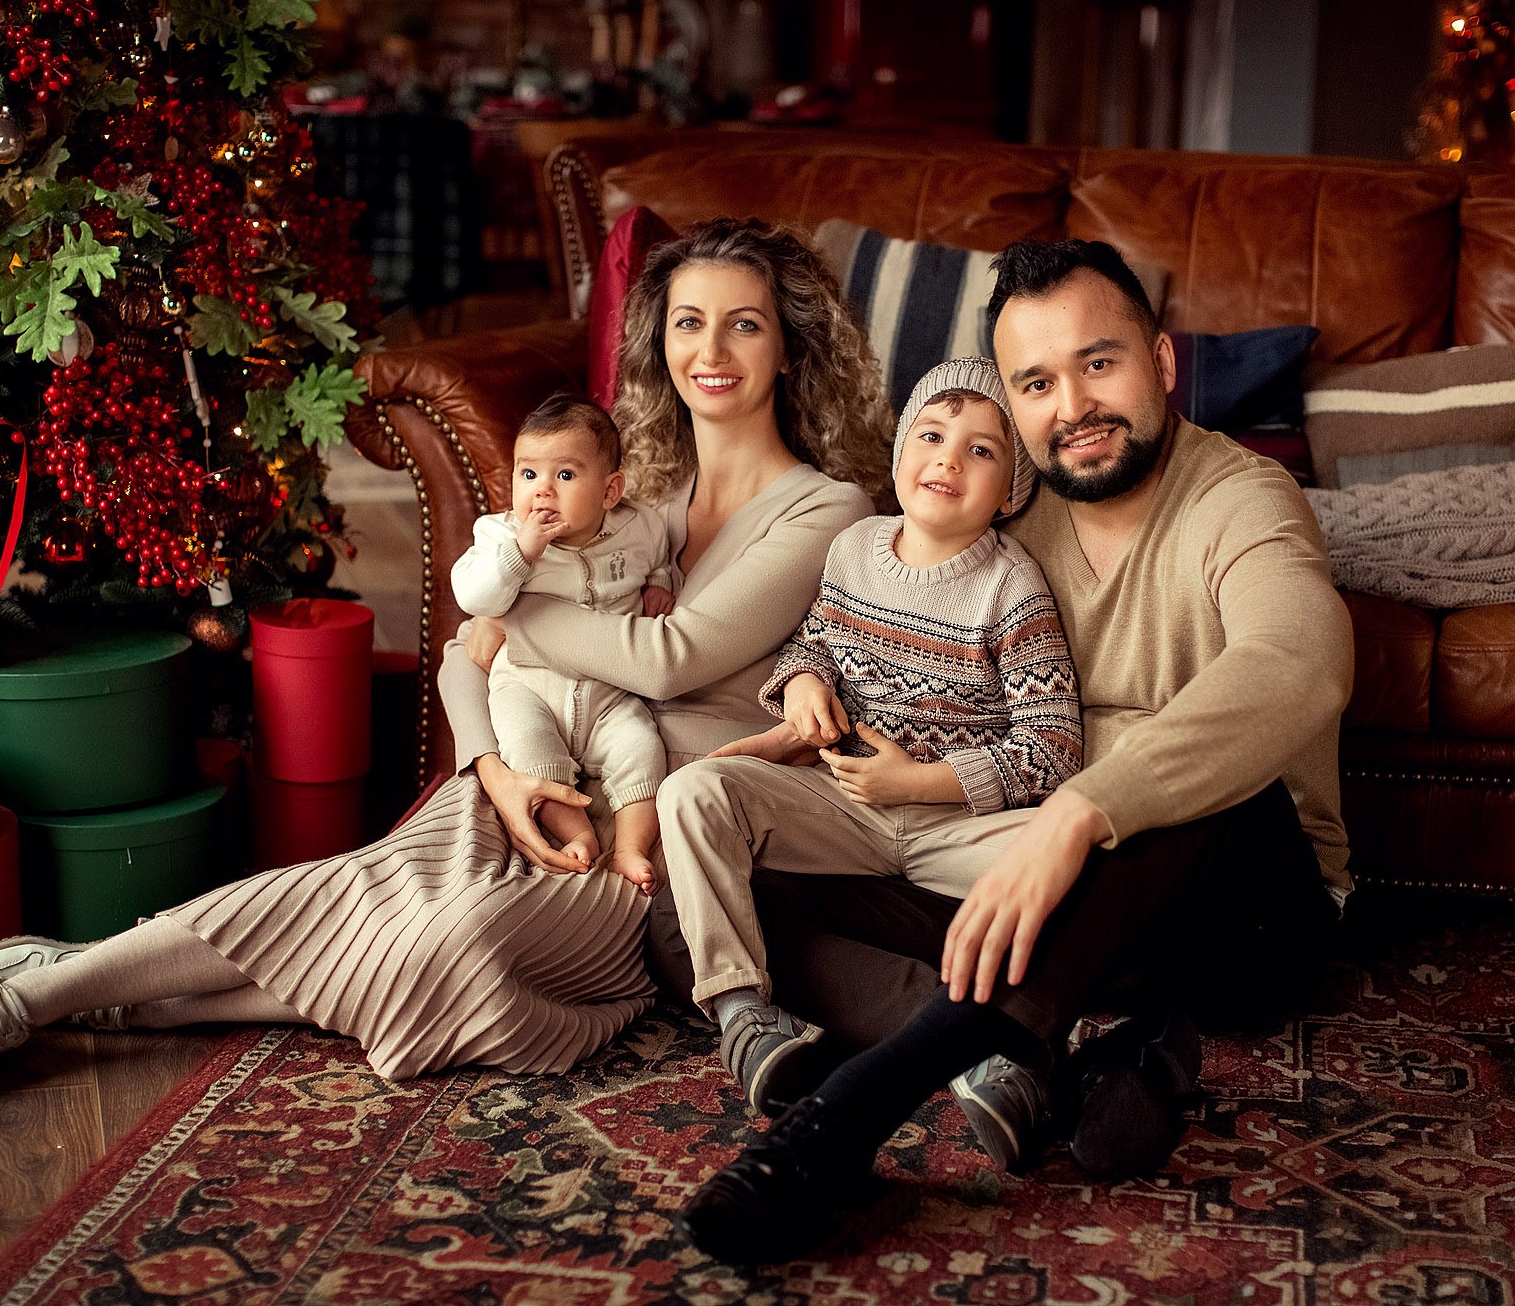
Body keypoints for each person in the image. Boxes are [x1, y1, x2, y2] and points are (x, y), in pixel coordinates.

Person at [0, 216, 888, 1111]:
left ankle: (97, 982)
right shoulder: (626, 490)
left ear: (789, 346)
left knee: (452, 949)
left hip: (638, 828)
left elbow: (670, 661)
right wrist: (491, 769)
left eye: (743, 323)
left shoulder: (824, 508)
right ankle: (17, 1002)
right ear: (659, 342)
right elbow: (455, 662)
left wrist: (513, 621)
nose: (712, 348)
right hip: (525, 773)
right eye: (687, 322)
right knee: (358, 889)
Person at [679, 238, 1355, 1265]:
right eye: (1036, 382)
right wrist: (817, 719)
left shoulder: (1240, 499)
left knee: (1193, 798)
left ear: (1161, 363)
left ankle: (849, 1115)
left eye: (1098, 363)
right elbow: (864, 637)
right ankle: (1072, 1052)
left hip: (1242, 901)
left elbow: (1300, 660)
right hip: (1027, 879)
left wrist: (1083, 811)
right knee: (703, 877)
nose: (1071, 405)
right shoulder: (1003, 522)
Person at [658, 356, 1082, 1118]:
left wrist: (919, 783)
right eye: (932, 434)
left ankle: (1017, 1053)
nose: (949, 458)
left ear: (1011, 490)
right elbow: (816, 641)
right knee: (692, 791)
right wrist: (804, 683)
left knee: (1085, 865)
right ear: (899, 453)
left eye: (982, 449)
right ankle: (742, 1012)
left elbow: (1052, 749)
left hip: (962, 825)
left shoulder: (1013, 588)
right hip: (844, 810)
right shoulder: (854, 549)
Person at [452, 395, 676, 892]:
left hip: (609, 691)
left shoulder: (639, 525)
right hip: (527, 686)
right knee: (529, 750)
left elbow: (657, 550)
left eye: (565, 476)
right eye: (527, 474)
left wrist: (658, 580)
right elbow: (472, 596)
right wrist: (520, 554)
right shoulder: (499, 535)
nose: (542, 492)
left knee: (642, 750)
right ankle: (576, 837)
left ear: (610, 490)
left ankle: (632, 848)